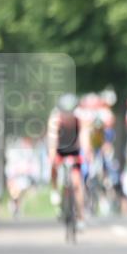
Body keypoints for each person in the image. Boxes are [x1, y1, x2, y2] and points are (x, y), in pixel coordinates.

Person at [47, 93, 86, 228]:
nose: (68, 116)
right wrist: (53, 157)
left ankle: (80, 217)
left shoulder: (79, 120)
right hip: (59, 149)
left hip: (74, 150)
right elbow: (52, 141)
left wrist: (86, 153)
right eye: (65, 113)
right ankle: (55, 190)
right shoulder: (55, 120)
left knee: (77, 184)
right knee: (53, 165)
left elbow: (84, 139)